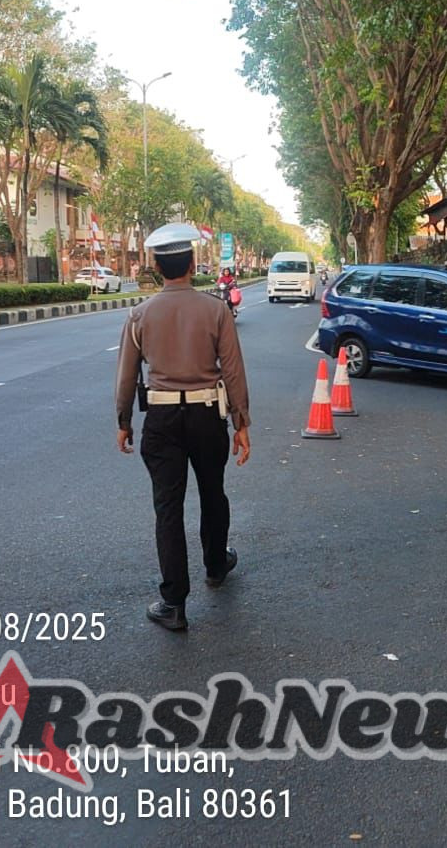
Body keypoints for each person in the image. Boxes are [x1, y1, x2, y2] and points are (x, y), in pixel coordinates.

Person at [116, 223, 251, 631]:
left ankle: (173, 602)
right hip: (207, 416)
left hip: (160, 420)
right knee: (213, 493)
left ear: (157, 267)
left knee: (167, 507)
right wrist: (240, 424)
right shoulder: (216, 310)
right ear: (193, 265)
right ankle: (215, 565)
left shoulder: (139, 315)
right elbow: (233, 372)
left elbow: (126, 377)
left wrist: (124, 421)